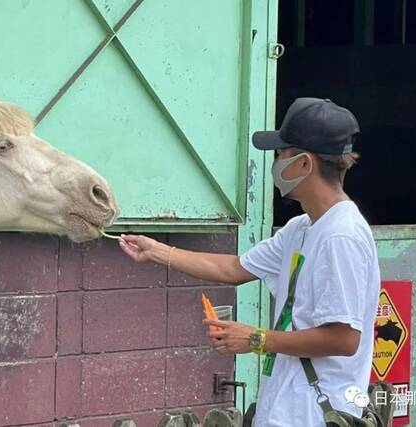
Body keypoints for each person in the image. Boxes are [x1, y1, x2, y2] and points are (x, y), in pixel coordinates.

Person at [118, 97, 380, 427]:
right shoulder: (301, 228)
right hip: (285, 409)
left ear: (304, 164)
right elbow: (234, 269)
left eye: (281, 154)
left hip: (314, 415)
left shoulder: (341, 236)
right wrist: (156, 251)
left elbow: (343, 340)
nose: (274, 163)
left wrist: (255, 339)